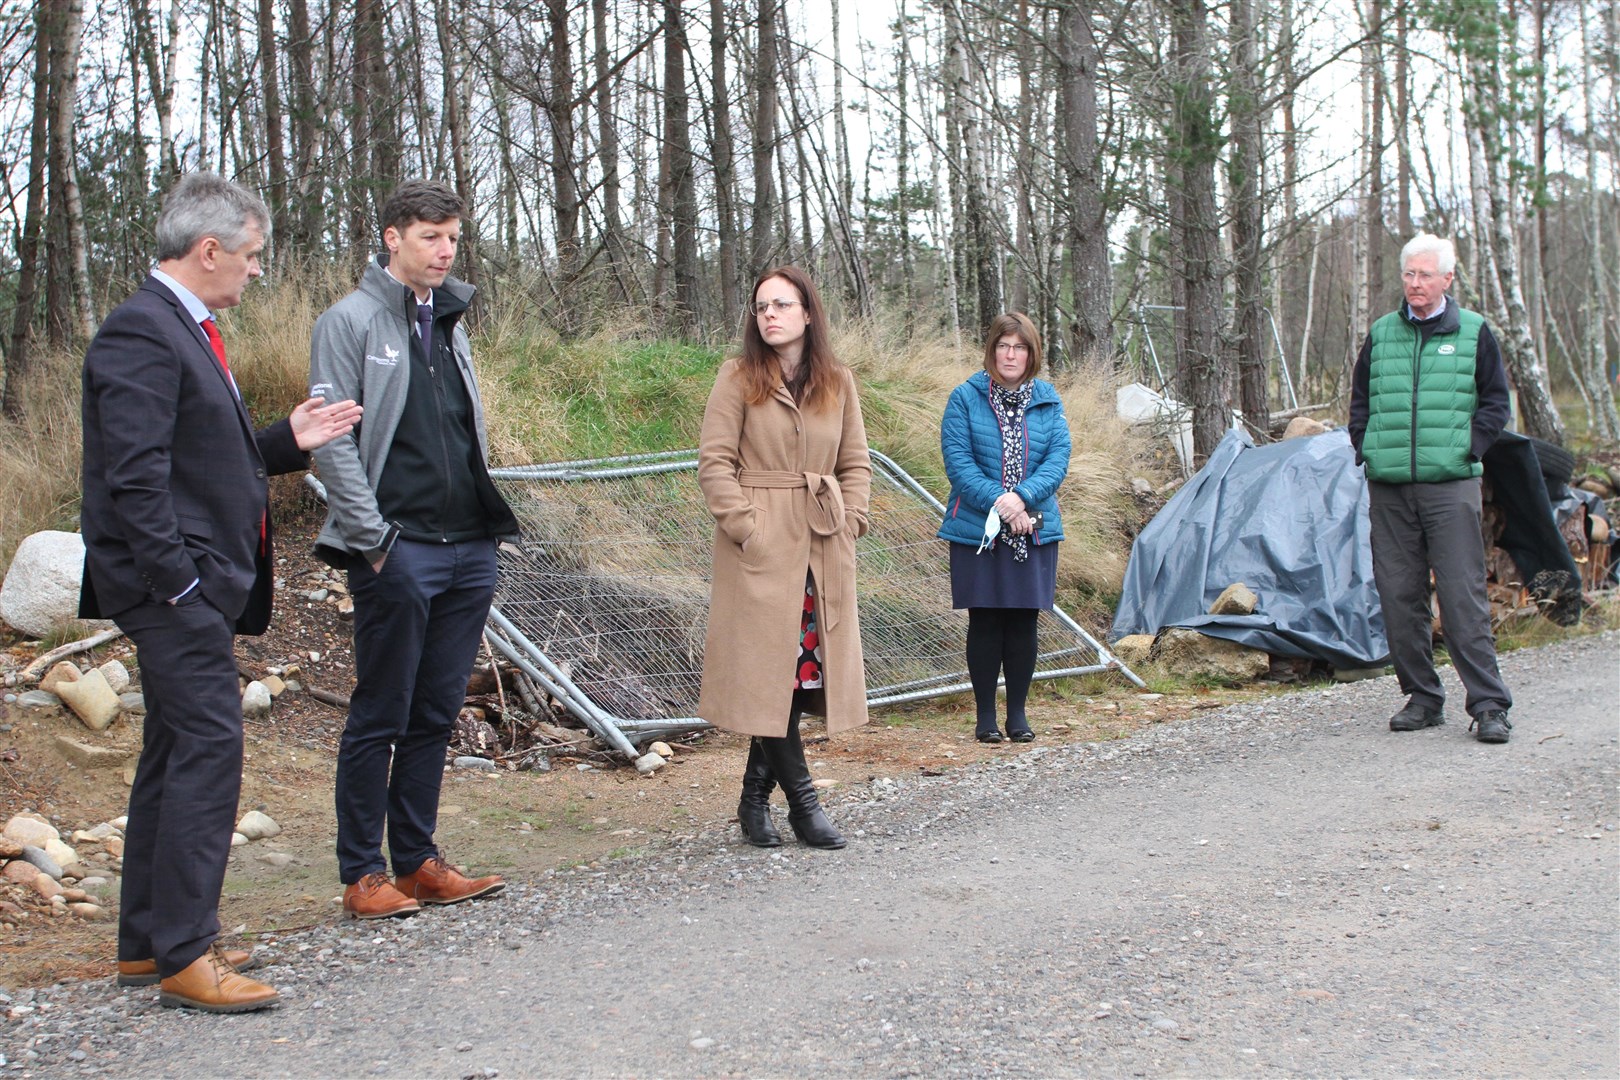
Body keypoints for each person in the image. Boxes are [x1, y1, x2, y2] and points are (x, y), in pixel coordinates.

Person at [79, 172, 362, 1012]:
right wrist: (183, 586)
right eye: (250, 256)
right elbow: (134, 482)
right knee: (209, 751)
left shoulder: (185, 328)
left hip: (182, 587)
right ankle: (187, 955)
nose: (256, 270)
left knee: (173, 753)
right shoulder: (142, 331)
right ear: (208, 251)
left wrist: (284, 442)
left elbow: (197, 457)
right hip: (170, 591)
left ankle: (147, 943)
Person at [309, 179, 520, 917]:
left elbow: (466, 433)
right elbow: (331, 441)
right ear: (393, 236)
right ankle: (362, 873)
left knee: (435, 712)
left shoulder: (449, 321)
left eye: (453, 238)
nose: (444, 251)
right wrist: (373, 542)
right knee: (381, 711)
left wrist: (483, 535)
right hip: (397, 552)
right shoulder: (349, 321)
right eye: (431, 236)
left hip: (468, 548)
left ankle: (418, 862)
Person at [697, 266, 872, 850]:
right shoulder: (737, 376)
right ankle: (804, 804)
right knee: (766, 673)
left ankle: (752, 800)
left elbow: (856, 464)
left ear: (807, 313)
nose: (769, 314)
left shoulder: (837, 380)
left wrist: (853, 520)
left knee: (795, 677)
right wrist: (749, 528)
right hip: (762, 549)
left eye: (781, 304)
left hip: (822, 543)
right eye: (760, 306)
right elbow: (714, 464)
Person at [1349, 233, 1514, 744]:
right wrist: (1366, 448)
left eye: (1425, 275)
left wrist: (1470, 448)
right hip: (1392, 488)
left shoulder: (1473, 332)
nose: (1415, 284)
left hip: (1451, 487)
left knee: (1463, 598)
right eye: (1408, 275)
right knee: (1399, 597)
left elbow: (1495, 402)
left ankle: (1489, 705)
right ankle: (1422, 698)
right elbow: (1360, 401)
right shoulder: (1381, 333)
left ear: (1448, 278)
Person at [937, 313, 1071, 744]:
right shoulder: (965, 397)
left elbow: (1058, 460)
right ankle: (985, 718)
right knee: (986, 620)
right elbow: (958, 463)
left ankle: (1017, 715)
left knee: (1023, 622)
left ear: (1031, 354)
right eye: (1004, 346)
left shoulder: (1049, 400)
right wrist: (1001, 502)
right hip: (978, 529)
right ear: (992, 350)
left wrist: (1021, 498)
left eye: (1020, 347)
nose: (1011, 355)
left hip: (1033, 527)